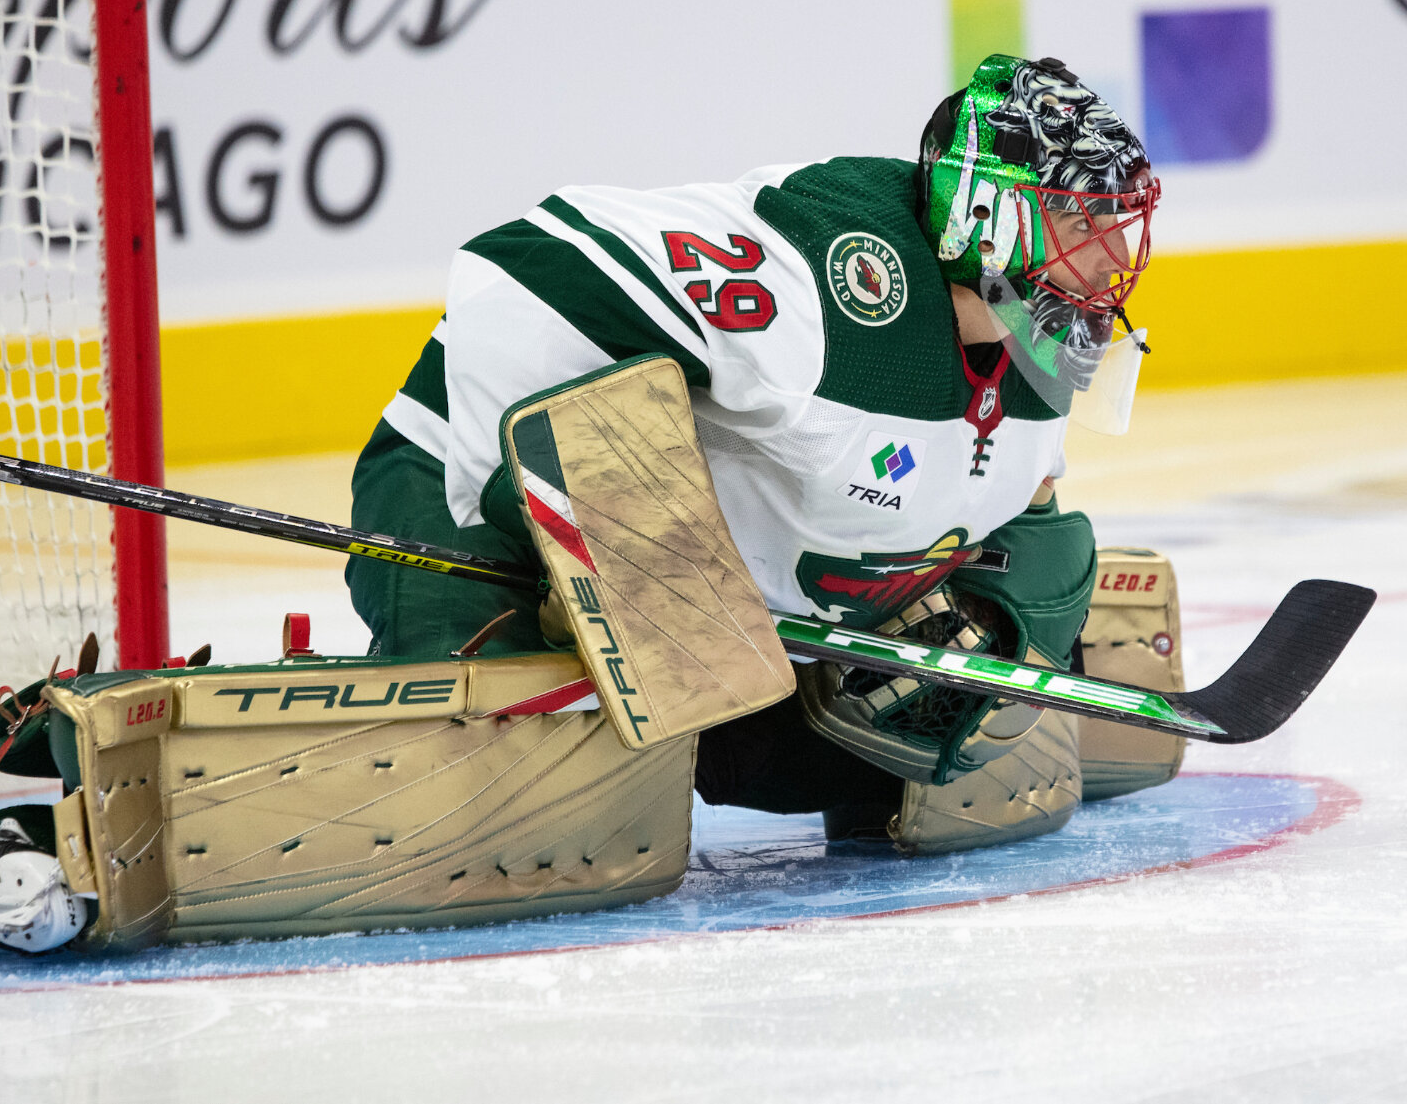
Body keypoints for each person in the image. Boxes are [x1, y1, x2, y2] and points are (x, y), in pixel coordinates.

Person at [347, 52, 1162, 836]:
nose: (1115, 259)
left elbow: (1033, 502)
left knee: (798, 759)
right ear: (987, 216)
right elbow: (532, 263)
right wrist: (578, 518)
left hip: (755, 598)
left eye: (1122, 228)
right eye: (1080, 225)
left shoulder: (1034, 345)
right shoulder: (822, 284)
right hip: (461, 480)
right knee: (520, 791)